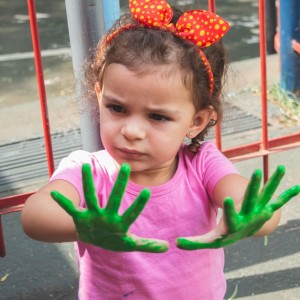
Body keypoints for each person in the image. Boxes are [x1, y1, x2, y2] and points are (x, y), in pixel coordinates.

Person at [21, 0, 300, 299]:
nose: (132, 131)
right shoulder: (87, 170)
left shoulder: (202, 164)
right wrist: (81, 226)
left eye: (157, 116)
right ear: (99, 95)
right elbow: (35, 217)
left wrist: (250, 216)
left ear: (196, 121)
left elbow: (254, 205)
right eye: (117, 108)